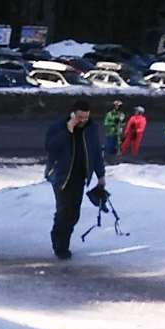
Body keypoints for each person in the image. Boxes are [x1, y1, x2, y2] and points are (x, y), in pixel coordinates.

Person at [44, 100, 105, 260]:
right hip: (61, 177)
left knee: (74, 214)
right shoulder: (58, 127)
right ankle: (61, 245)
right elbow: (51, 147)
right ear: (72, 114)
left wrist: (101, 175)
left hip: (79, 177)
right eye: (79, 117)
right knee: (64, 211)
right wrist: (68, 131)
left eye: (86, 117)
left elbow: (96, 152)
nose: (83, 120)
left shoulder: (91, 128)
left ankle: (60, 238)